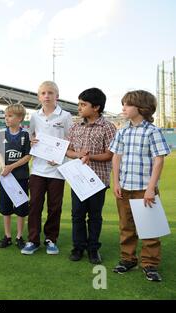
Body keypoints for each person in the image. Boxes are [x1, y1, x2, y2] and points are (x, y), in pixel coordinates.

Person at [109, 90, 170, 282]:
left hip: (145, 189)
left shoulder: (153, 131)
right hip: (124, 188)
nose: (123, 108)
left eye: (127, 104)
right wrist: (116, 182)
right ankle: (128, 259)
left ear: (141, 108)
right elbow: (116, 157)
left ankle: (150, 264)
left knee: (149, 228)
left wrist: (151, 188)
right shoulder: (122, 131)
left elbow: (158, 161)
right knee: (126, 226)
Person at [65, 88, 117, 264]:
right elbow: (68, 151)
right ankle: (78, 247)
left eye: (83, 104)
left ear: (96, 107)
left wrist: (90, 157)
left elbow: (110, 154)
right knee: (77, 215)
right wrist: (78, 154)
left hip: (98, 181)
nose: (79, 107)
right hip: (78, 179)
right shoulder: (74, 126)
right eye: (79, 104)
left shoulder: (108, 127)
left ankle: (93, 249)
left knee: (95, 216)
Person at [21, 81, 73, 255]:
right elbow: (31, 137)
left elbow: (70, 140)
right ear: (39, 96)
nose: (47, 96)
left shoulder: (65, 116)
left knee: (54, 207)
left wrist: (59, 156)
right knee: (34, 205)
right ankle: (33, 240)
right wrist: (32, 141)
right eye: (43, 93)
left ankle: (51, 239)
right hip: (37, 169)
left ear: (57, 96)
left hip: (58, 169)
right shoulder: (35, 116)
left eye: (50, 93)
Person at [0, 104, 31, 250]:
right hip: (5, 178)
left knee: (21, 208)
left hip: (21, 177)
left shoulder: (25, 135)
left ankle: (19, 236)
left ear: (20, 118)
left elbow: (28, 156)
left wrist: (12, 167)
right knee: (5, 208)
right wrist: (4, 167)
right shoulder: (1, 134)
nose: (7, 119)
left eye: (10, 116)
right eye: (6, 116)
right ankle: (8, 236)